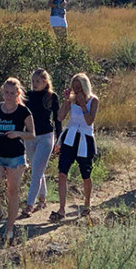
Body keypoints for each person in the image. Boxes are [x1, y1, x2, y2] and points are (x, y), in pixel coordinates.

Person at [0, 78, 35, 245]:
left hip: (16, 156)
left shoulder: (24, 111)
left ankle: (9, 228)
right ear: (2, 92)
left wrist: (18, 133)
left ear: (18, 94)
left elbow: (32, 134)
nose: (9, 96)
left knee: (12, 192)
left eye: (12, 93)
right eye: (6, 92)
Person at [52, 73, 98, 220]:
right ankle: (61, 208)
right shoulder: (71, 100)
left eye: (80, 88)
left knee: (86, 173)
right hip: (70, 137)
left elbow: (90, 121)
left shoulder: (93, 100)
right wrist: (67, 101)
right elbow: (59, 117)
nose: (77, 90)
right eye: (75, 87)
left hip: (85, 138)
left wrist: (83, 105)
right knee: (62, 172)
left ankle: (87, 203)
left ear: (85, 87)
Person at [21, 68, 62, 217]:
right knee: (36, 169)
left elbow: (57, 118)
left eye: (38, 81)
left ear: (45, 82)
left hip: (46, 136)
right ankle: (42, 199)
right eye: (33, 81)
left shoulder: (51, 96)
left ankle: (29, 204)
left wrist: (60, 138)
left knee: (36, 171)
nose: (35, 84)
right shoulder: (28, 96)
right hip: (30, 135)